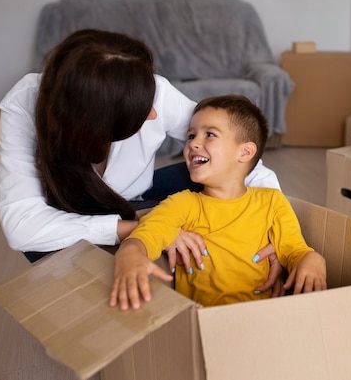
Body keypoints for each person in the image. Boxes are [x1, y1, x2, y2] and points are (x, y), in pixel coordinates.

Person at [0, 30, 282, 293]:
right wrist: (146, 231)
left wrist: (270, 231)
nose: (154, 115)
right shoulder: (25, 105)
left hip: (138, 202)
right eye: (141, 112)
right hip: (73, 217)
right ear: (99, 124)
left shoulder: (153, 91)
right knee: (41, 244)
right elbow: (22, 226)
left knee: (212, 168)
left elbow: (236, 155)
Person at [110, 95, 327, 309]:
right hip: (204, 323)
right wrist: (130, 252)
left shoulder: (271, 202)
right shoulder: (182, 203)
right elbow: (148, 234)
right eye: (191, 135)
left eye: (209, 134)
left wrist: (313, 259)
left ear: (245, 152)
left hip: (263, 319)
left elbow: (294, 250)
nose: (193, 143)